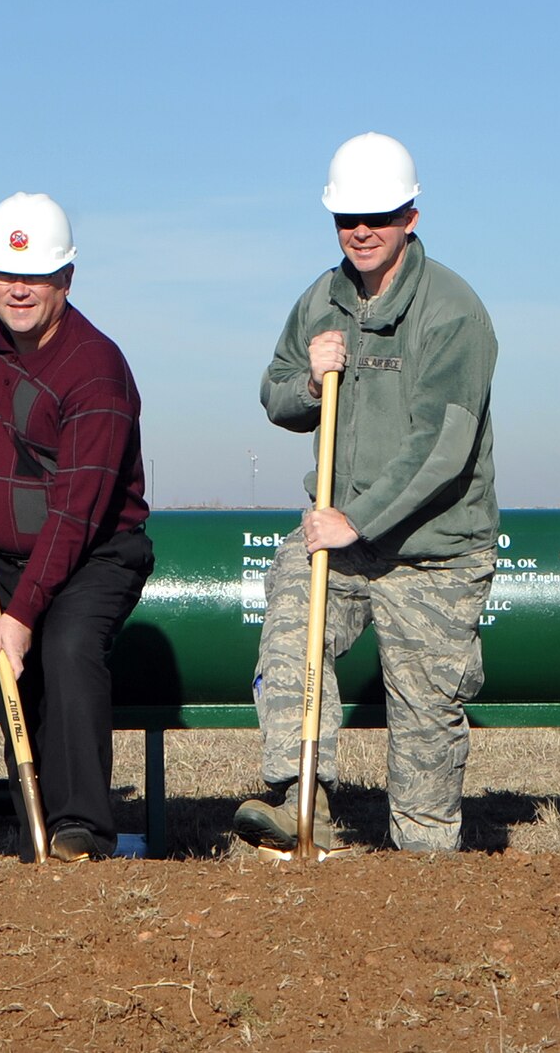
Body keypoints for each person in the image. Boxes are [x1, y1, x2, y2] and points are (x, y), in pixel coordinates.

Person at [235, 132, 499, 854]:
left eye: (377, 217)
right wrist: (305, 379)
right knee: (294, 623)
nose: (360, 232)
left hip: (433, 550)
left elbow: (442, 447)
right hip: (337, 537)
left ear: (411, 216)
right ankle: (299, 795)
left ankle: (423, 863)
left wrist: (357, 518)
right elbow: (277, 395)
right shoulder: (320, 298)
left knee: (424, 722)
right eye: (347, 219)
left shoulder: (453, 312)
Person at [0, 193, 154, 863]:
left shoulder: (96, 372)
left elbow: (75, 512)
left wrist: (23, 612)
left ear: (66, 279)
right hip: (0, 551)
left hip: (95, 552)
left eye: (34, 276)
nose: (16, 289)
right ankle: (38, 821)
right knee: (14, 680)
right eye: (3, 274)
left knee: (65, 650)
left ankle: (83, 829)